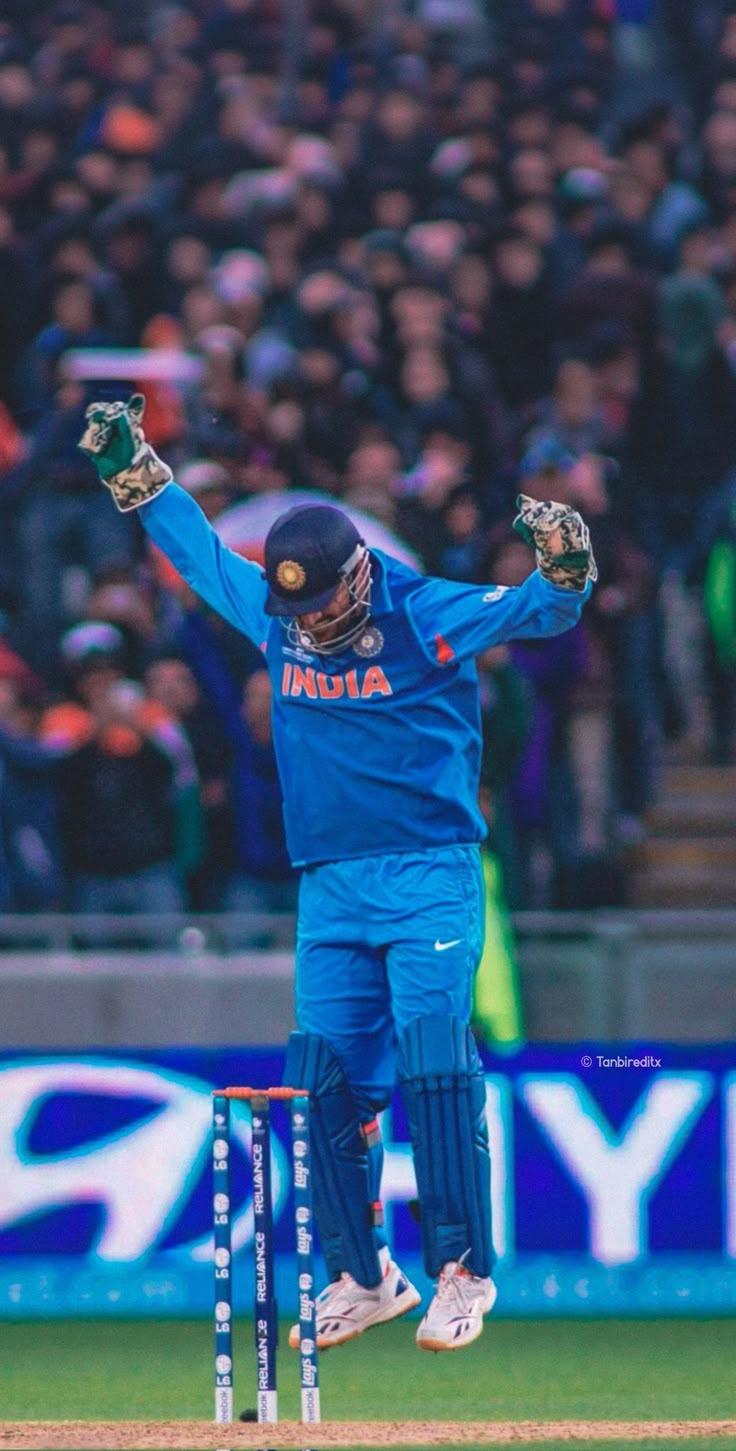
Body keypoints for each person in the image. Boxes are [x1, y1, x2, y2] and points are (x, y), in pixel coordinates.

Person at [78, 394, 596, 1353]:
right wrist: (134, 468)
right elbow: (197, 556)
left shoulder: (424, 611)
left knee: (435, 1058)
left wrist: (563, 561)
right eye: (295, 606)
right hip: (330, 882)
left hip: (429, 871)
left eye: (320, 601)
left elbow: (545, 610)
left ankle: (462, 1271)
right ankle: (366, 1274)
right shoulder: (277, 620)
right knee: (320, 1082)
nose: (307, 621)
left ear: (357, 575)